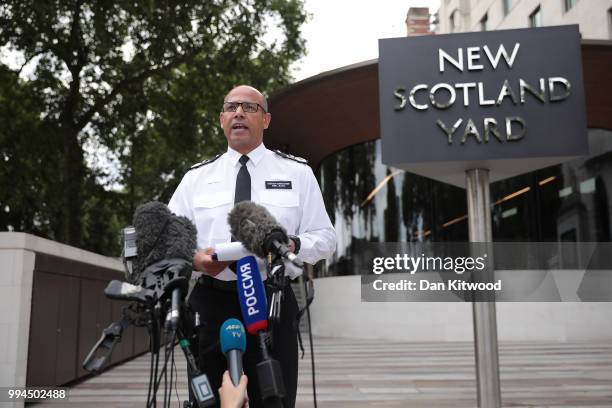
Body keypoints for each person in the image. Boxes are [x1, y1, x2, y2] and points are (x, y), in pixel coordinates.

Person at [168, 85, 336, 408]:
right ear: (221, 120)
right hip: (212, 303)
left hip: (271, 301)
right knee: (208, 403)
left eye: (250, 107)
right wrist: (195, 260)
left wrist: (292, 243)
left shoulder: (297, 173)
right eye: (231, 107)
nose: (239, 113)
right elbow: (170, 240)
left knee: (274, 400)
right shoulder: (196, 178)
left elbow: (326, 238)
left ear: (267, 120)